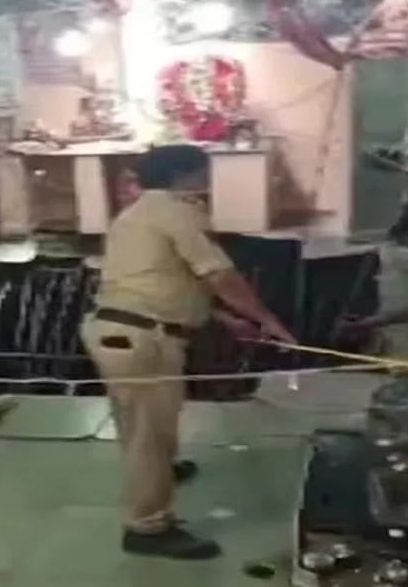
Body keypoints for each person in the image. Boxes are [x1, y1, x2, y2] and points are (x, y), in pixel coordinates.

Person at [81, 145, 295, 560]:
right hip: (145, 337)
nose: (208, 180)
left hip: (118, 329)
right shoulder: (179, 211)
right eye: (203, 172)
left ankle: (158, 473)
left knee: (137, 423)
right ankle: (147, 527)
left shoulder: (138, 213)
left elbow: (163, 278)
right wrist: (267, 319)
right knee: (151, 435)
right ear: (184, 176)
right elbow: (219, 275)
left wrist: (223, 319)